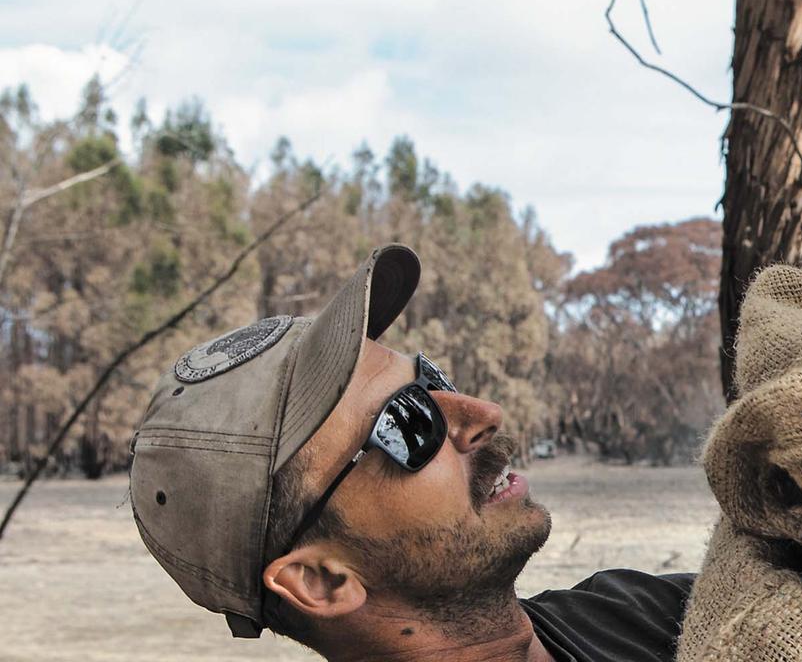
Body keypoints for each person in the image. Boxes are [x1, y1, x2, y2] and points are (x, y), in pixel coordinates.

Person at [129, 244, 695, 661]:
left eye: (432, 379)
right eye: (406, 420)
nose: (482, 415)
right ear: (321, 581)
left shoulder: (658, 615)